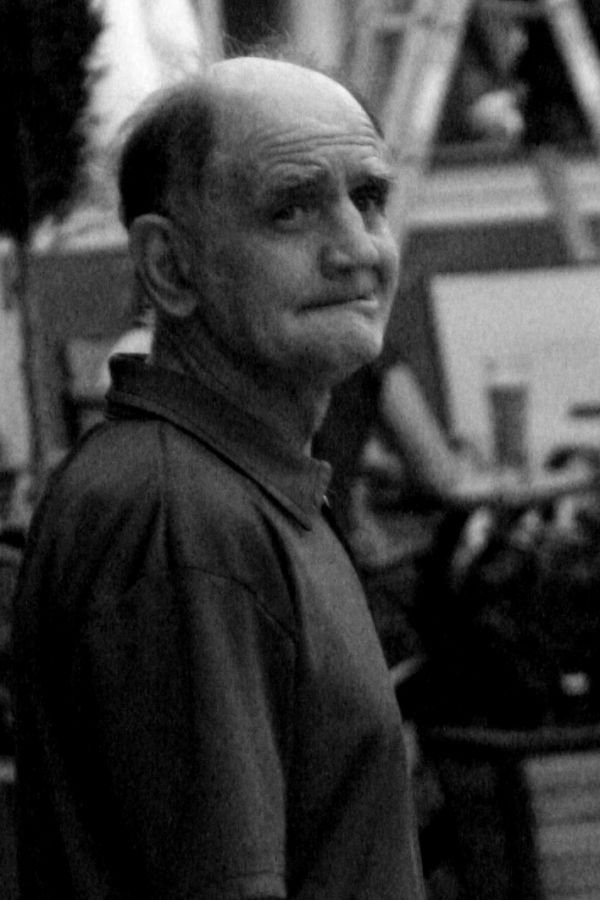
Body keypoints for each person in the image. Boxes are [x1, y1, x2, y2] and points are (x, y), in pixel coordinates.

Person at [13, 55, 426, 899]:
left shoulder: (234, 485)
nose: (356, 249)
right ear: (170, 268)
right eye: (290, 209)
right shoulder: (183, 521)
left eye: (369, 199)